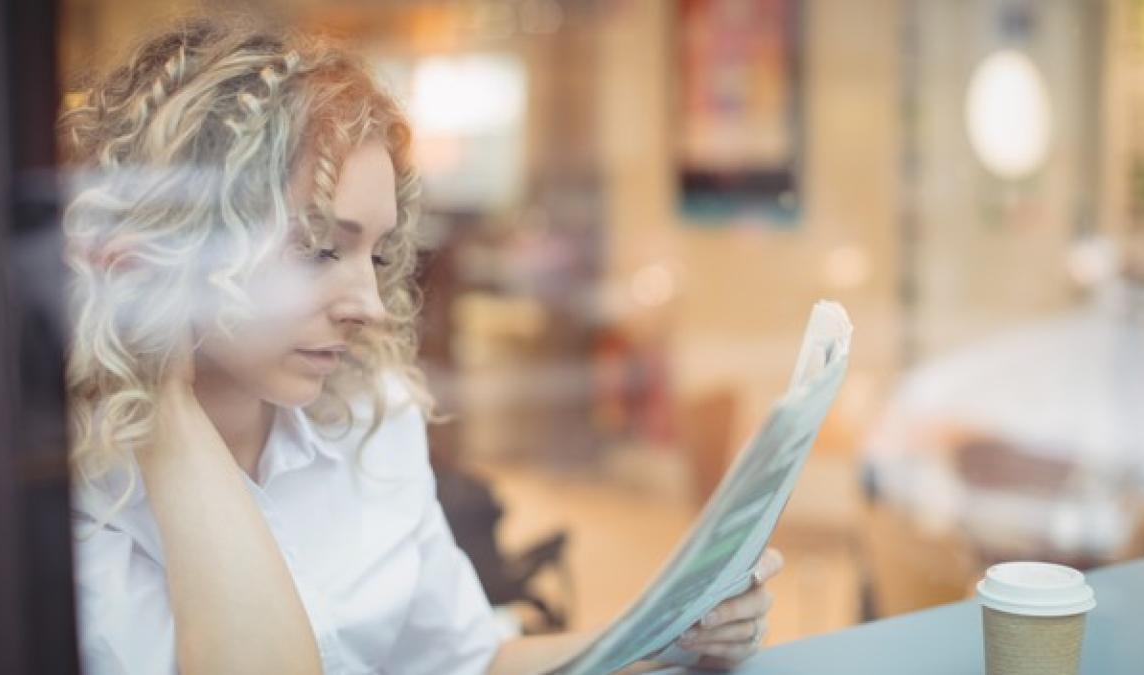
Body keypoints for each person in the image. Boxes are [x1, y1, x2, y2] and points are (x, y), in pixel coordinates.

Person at [61, 17, 783, 675]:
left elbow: (469, 661)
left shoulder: (369, 418)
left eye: (375, 258)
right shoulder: (57, 491)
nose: (370, 307)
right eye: (317, 249)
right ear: (167, 251)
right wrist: (168, 411)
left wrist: (667, 636)